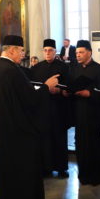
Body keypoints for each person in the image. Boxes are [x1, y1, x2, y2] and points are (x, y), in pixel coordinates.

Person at [0, 35, 59, 199]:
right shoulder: (11, 70)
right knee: (19, 171)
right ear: (12, 50)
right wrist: (46, 87)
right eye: (21, 50)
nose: (23, 54)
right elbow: (29, 100)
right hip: (15, 133)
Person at [67, 40, 100, 185]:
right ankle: (84, 174)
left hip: (94, 113)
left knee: (94, 144)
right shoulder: (74, 69)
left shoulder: (99, 70)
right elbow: (70, 86)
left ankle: (97, 175)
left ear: (89, 52)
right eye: (76, 53)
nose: (78, 55)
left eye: (81, 52)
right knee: (81, 143)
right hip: (79, 112)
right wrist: (67, 91)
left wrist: (90, 93)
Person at [30, 38, 70, 178]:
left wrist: (59, 90)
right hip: (42, 109)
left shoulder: (64, 67)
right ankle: (46, 167)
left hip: (58, 108)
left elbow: (69, 86)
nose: (47, 53)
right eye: (45, 50)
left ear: (55, 51)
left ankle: (61, 168)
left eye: (50, 50)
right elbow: (32, 87)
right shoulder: (36, 68)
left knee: (59, 138)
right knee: (44, 138)